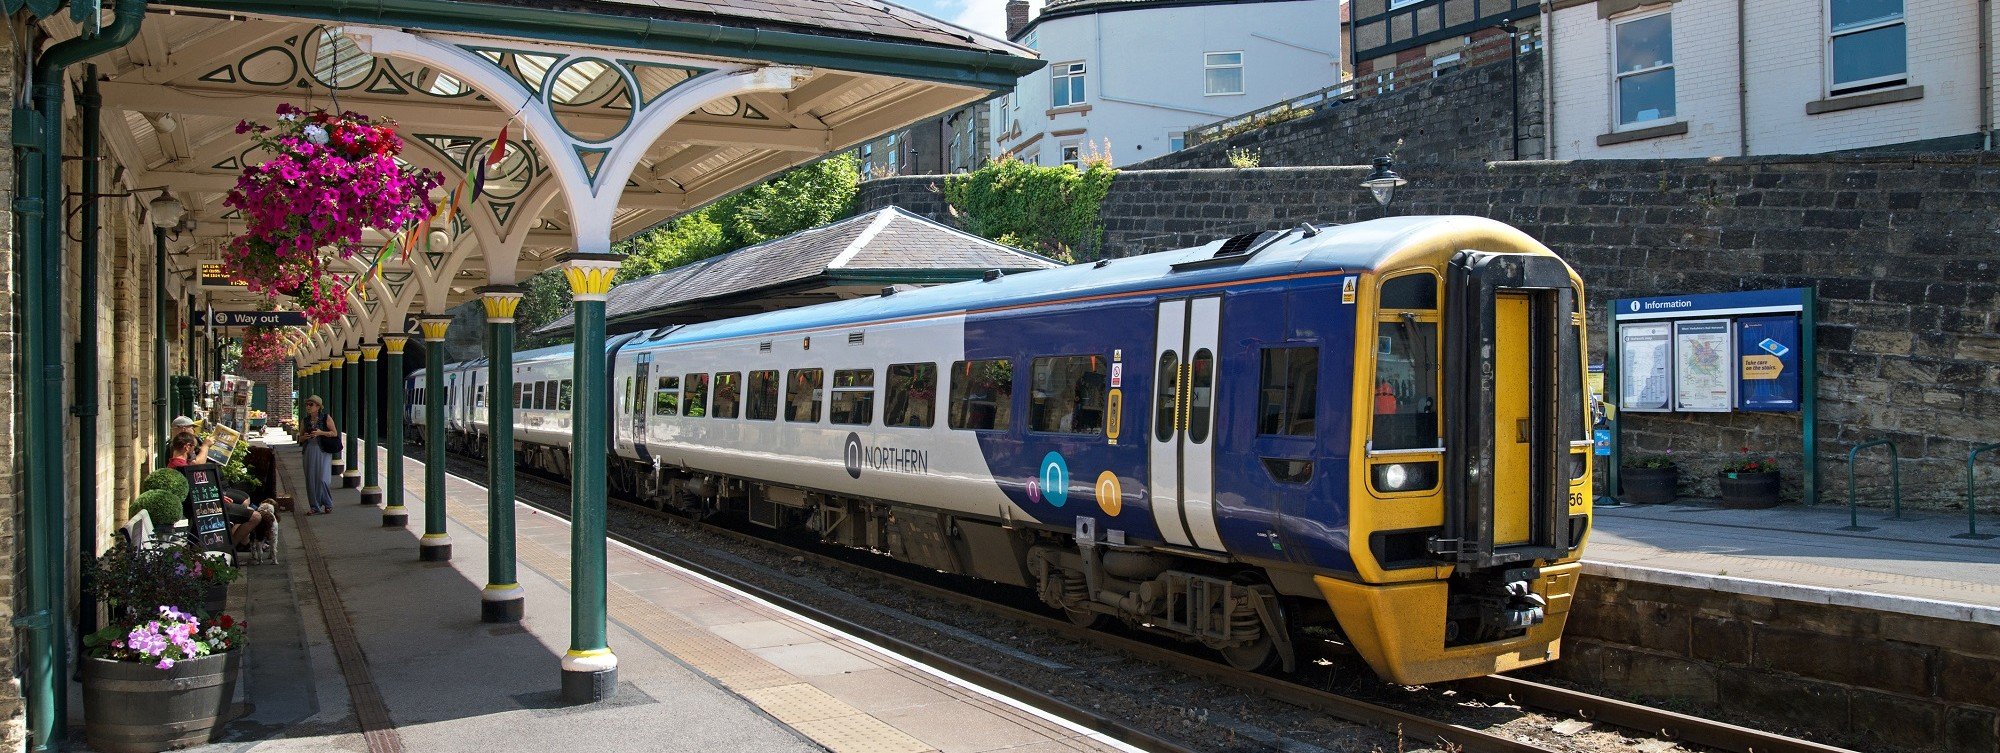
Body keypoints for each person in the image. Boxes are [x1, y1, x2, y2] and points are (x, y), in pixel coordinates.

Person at [298, 395, 338, 515]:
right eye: (307, 404)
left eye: (311, 404)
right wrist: (305, 437)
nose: (308, 407)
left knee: (323, 479)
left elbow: (334, 433)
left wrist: (321, 433)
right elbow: (300, 438)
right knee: (310, 479)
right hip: (309, 450)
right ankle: (314, 506)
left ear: (318, 407)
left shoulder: (326, 418)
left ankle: (327, 503)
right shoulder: (305, 420)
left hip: (323, 451)